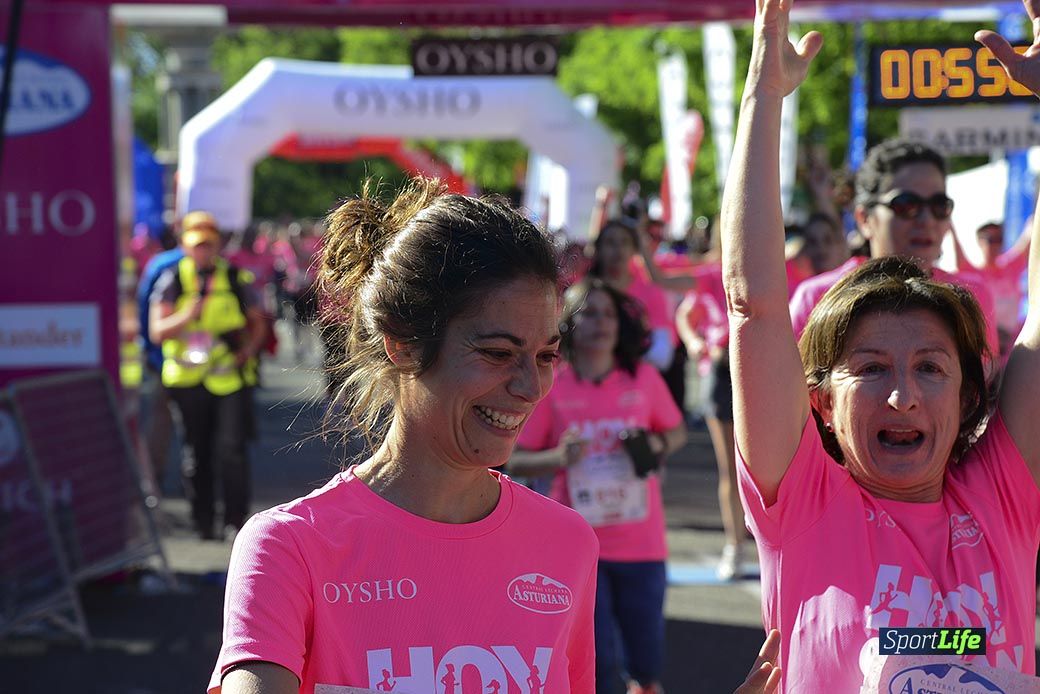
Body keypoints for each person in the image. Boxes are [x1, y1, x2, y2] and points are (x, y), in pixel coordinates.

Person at [721, 1, 1040, 691]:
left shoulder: (1001, 496)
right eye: (869, 369)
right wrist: (763, 97)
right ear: (822, 404)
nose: (904, 395)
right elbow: (755, 306)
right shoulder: (805, 504)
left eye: (932, 367)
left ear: (968, 392)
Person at [210, 179, 598, 694]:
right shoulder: (289, 548)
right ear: (404, 345)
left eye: (546, 355)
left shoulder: (567, 543)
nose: (531, 387)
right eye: (498, 353)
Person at [511, 279, 687, 694]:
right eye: (589, 312)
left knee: (646, 668)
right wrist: (557, 458)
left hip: (641, 543)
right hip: (576, 546)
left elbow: (677, 433)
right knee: (599, 666)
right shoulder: (552, 383)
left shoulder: (642, 378)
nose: (601, 322)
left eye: (608, 313)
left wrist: (654, 445)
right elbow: (513, 459)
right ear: (569, 324)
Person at [788, 141, 1001, 358]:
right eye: (907, 205)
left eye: (939, 205)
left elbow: (984, 388)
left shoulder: (973, 298)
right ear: (865, 219)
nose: (926, 220)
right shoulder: (817, 298)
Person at [150, 211, 266, 540]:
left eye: (209, 244)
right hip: (187, 380)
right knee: (196, 452)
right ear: (186, 246)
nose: (203, 251)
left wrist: (247, 351)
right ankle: (203, 520)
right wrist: (188, 314)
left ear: (217, 245)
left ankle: (235, 521)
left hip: (228, 375)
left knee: (231, 449)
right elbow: (157, 330)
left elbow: (259, 321)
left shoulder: (233, 278)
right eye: (197, 245)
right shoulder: (171, 278)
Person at [952, 220, 1033, 357]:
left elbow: (1028, 237)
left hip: (1013, 345)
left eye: (999, 239)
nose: (996, 245)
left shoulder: (1009, 266)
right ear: (979, 242)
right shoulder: (972, 274)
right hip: (985, 348)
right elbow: (960, 259)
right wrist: (951, 229)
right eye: (991, 240)